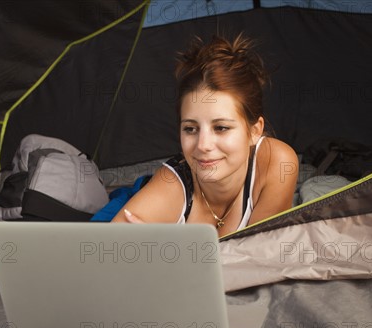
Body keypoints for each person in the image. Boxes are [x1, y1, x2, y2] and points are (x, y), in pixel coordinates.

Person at [112, 34, 298, 236]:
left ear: (254, 131)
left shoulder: (277, 163)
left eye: (221, 128)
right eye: (191, 129)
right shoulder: (172, 185)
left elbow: (260, 258)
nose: (203, 145)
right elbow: (101, 251)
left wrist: (170, 254)